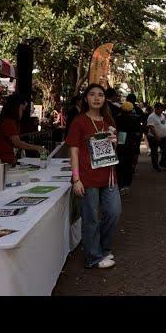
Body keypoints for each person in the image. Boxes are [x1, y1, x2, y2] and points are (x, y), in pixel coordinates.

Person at [65, 84, 121, 269]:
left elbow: (112, 148)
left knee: (113, 212)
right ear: (86, 98)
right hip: (87, 177)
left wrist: (114, 142)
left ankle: (103, 249)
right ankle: (93, 257)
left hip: (109, 175)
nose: (97, 98)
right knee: (91, 218)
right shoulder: (79, 121)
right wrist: (76, 178)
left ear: (105, 99)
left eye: (101, 95)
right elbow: (73, 151)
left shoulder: (107, 120)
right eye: (92, 94)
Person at [0, 95, 45, 165]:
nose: (22, 113)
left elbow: (15, 142)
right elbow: (17, 143)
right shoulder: (8, 122)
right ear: (17, 107)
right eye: (22, 110)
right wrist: (37, 148)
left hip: (1, 160)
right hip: (1, 161)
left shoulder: (7, 121)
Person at [115, 101, 141, 194]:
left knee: (120, 165)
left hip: (120, 145)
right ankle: (127, 185)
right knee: (128, 165)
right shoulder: (134, 120)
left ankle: (121, 185)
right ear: (131, 110)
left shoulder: (117, 119)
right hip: (130, 145)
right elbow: (138, 133)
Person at [146, 102, 166, 172]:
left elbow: (164, 124)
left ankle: (162, 163)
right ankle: (156, 166)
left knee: (165, 150)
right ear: (155, 109)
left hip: (163, 136)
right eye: (158, 108)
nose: (160, 110)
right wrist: (156, 136)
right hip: (153, 137)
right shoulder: (151, 116)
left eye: (161, 108)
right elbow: (151, 127)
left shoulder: (162, 115)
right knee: (154, 152)